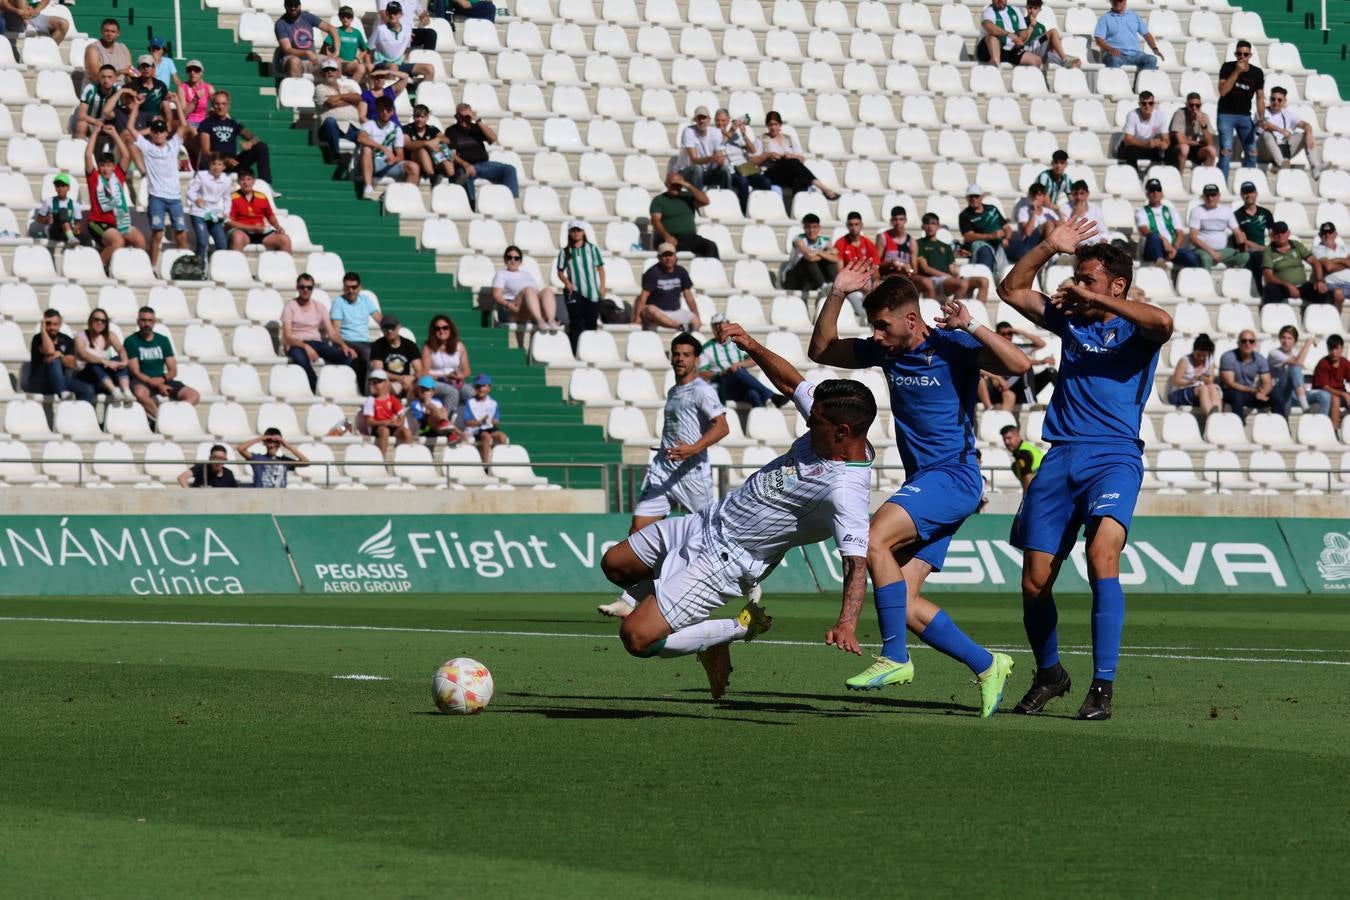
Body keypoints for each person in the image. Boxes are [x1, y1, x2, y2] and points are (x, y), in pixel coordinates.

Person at [599, 322, 873, 700]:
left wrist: (847, 623)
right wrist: (750, 344)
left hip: (727, 560)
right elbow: (790, 384)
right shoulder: (829, 414)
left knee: (637, 637)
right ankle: (685, 614)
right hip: (707, 520)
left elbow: (856, 563)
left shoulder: (845, 489)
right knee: (615, 564)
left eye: (816, 424)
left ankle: (736, 628)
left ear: (842, 432)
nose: (809, 423)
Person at [808, 261, 1028, 713]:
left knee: (872, 539)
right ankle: (988, 664)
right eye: (874, 327)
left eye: (882, 326)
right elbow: (822, 350)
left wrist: (972, 325)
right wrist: (837, 292)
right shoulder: (885, 350)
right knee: (904, 602)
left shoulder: (952, 345)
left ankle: (894, 656)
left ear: (911, 320)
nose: (876, 335)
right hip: (926, 484)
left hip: (954, 477)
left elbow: (1019, 365)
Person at [998, 216, 1173, 720]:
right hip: (1061, 456)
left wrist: (1095, 299)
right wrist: (1049, 246)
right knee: (1034, 581)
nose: (1077, 286)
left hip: (1115, 456)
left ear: (1117, 285)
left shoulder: (1136, 328)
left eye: (1088, 279)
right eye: (1076, 278)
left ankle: (1102, 686)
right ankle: (1050, 674)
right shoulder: (1070, 319)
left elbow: (1164, 323)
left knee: (1101, 556)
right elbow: (1011, 290)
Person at [597, 332, 730, 619]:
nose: (680, 359)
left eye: (686, 355)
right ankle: (632, 598)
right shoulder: (673, 391)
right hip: (662, 473)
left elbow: (722, 427)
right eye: (676, 354)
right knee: (638, 532)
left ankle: (746, 580)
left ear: (696, 359)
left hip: (691, 476)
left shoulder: (702, 390)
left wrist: (692, 448)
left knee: (710, 536)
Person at [124, 103, 192, 269]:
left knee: (181, 234)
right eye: (155, 131)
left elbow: (184, 125)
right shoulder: (148, 147)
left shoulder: (174, 145)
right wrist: (136, 106)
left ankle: (186, 266)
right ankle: (152, 267)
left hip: (174, 198)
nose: (158, 134)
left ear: (166, 132)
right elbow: (130, 128)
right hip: (157, 197)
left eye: (161, 131)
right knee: (157, 234)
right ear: (151, 134)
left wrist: (178, 103)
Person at [83, 129, 148, 269]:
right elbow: (88, 156)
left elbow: (125, 155)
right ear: (99, 166)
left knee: (140, 241)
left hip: (119, 221)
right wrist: (95, 133)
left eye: (109, 165)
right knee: (118, 241)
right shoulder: (94, 178)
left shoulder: (117, 176)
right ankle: (98, 268)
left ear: (113, 167)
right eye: (102, 165)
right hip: (98, 222)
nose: (105, 169)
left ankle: (133, 269)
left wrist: (114, 134)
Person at [125, 306, 201, 425]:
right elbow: (135, 371)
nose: (146, 324)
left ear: (154, 322)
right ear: (138, 321)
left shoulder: (163, 340)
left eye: (150, 320)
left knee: (194, 395)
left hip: (162, 378)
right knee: (140, 393)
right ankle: (163, 421)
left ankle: (174, 417)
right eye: (143, 320)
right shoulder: (130, 341)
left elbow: (173, 370)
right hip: (142, 380)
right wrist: (157, 384)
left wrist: (162, 381)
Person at [284, 273, 355, 391]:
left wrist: (344, 345)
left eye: (309, 287)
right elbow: (287, 336)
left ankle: (333, 384)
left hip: (316, 342)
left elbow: (332, 333)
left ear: (313, 289)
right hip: (296, 343)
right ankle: (317, 386)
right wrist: (305, 346)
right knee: (299, 358)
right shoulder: (290, 306)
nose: (305, 290)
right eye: (302, 287)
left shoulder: (319, 306)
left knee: (347, 356)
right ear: (297, 288)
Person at [698, 313, 783, 409]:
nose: (719, 327)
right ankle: (770, 395)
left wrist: (739, 364)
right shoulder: (706, 348)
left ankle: (761, 417)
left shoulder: (736, 343)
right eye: (716, 325)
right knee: (738, 370)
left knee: (753, 394)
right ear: (712, 328)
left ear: (728, 324)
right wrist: (722, 373)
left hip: (740, 384)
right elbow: (701, 372)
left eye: (721, 324)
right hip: (723, 385)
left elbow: (754, 359)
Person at [753, 111, 839, 201]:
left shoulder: (788, 139)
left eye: (776, 124)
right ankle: (822, 187)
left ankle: (797, 205)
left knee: (798, 178)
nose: (773, 128)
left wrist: (791, 156)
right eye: (771, 125)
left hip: (788, 173)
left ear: (780, 125)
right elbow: (753, 161)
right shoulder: (761, 139)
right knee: (792, 163)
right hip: (771, 172)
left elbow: (801, 160)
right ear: (767, 125)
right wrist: (767, 155)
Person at [444, 104, 518, 209]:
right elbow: (452, 154)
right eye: (461, 116)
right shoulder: (451, 131)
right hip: (465, 166)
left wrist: (477, 120)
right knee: (464, 176)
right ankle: (471, 207)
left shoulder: (477, 128)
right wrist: (465, 164)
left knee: (509, 170)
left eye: (467, 116)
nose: (463, 119)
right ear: (456, 116)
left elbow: (493, 138)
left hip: (483, 164)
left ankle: (510, 203)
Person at [198, 91, 273, 184]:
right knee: (214, 163)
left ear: (228, 106)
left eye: (223, 104)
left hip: (233, 163)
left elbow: (256, 138)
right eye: (217, 104)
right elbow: (205, 152)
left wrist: (250, 143)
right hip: (216, 163)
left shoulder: (233, 123)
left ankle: (266, 185)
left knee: (261, 147)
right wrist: (224, 160)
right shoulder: (206, 123)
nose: (220, 107)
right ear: (213, 105)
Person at [1261, 221, 1340, 309]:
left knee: (1322, 291)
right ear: (1272, 235)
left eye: (1283, 232)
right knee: (1270, 289)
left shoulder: (1296, 245)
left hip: (1302, 286)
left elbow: (1315, 262)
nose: (1280, 235)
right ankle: (1274, 315)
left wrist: (1319, 280)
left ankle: (1321, 316)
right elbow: (1268, 276)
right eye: (1277, 233)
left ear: (1288, 233)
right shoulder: (1268, 251)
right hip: (1281, 287)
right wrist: (1288, 286)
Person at [354, 95, 420, 199]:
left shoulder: (396, 129)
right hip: (370, 162)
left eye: (388, 110)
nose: (385, 112)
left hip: (387, 163)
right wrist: (382, 148)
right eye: (382, 110)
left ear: (392, 112)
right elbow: (361, 138)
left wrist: (394, 159)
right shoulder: (369, 124)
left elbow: (400, 155)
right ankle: (368, 187)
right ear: (377, 110)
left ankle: (405, 198)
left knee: (414, 167)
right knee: (367, 149)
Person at [915, 212, 990, 301]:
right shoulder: (919, 243)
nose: (930, 227)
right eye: (927, 224)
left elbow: (952, 268)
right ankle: (952, 309)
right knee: (962, 284)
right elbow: (925, 268)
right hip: (933, 279)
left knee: (983, 281)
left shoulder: (946, 246)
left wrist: (956, 275)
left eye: (933, 223)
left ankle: (979, 309)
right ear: (923, 226)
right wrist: (947, 276)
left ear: (938, 226)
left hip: (947, 279)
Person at [1216, 41, 1264, 180]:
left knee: (1252, 152)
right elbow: (1223, 91)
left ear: (1250, 55)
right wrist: (1236, 72)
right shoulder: (1227, 67)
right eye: (1239, 54)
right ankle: (1222, 185)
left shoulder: (1257, 72)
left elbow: (1260, 97)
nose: (1242, 57)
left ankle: (1248, 184)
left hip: (1245, 116)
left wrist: (1261, 117)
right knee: (1226, 152)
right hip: (1226, 114)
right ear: (1235, 54)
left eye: (1245, 54)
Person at [555, 220, 605, 351]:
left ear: (583, 232)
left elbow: (600, 269)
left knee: (591, 325)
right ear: (569, 233)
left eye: (578, 230)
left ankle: (590, 351)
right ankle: (575, 351)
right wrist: (567, 283)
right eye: (573, 230)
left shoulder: (592, 249)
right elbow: (560, 271)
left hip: (592, 292)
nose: (576, 233)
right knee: (576, 323)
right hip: (574, 291)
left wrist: (602, 287)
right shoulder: (565, 252)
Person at [649, 171, 719, 259]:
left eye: (679, 184)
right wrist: (667, 236)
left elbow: (705, 201)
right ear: (667, 184)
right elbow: (655, 221)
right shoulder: (659, 200)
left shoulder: (687, 197)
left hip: (690, 237)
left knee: (711, 246)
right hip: (669, 237)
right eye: (673, 184)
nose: (676, 187)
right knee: (668, 251)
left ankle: (711, 268)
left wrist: (688, 185)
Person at [1259, 86, 1325, 179]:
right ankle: (1281, 163)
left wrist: (1309, 132)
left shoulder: (1287, 114)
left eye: (1279, 100)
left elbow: (1305, 124)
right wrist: (1281, 131)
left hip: (1282, 149)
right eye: (1273, 99)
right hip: (1264, 151)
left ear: (1284, 101)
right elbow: (1265, 125)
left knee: (1305, 135)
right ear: (1270, 99)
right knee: (1267, 134)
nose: (1276, 102)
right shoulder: (1262, 112)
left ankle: (1315, 167)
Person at [28, 310, 95, 402]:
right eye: (48, 324)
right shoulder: (38, 338)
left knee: (88, 390)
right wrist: (43, 330)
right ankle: (63, 394)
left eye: (55, 324)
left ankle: (78, 409)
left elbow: (72, 364)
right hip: (40, 381)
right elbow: (49, 350)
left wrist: (60, 356)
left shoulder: (66, 339)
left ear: (60, 324)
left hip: (60, 380)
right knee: (54, 361)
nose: (52, 327)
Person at [329, 271, 383, 386]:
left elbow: (380, 319)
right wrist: (343, 345)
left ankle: (382, 387)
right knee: (368, 352)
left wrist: (391, 329)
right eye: (347, 287)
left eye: (354, 287)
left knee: (383, 350)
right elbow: (335, 331)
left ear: (359, 287)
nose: (351, 291)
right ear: (343, 288)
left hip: (364, 341)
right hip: (348, 340)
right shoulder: (339, 302)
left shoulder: (365, 300)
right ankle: (367, 390)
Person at [635, 243, 701, 332]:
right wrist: (637, 319)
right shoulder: (652, 273)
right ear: (659, 257)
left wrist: (697, 316)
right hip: (657, 312)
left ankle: (686, 337)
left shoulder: (681, 271)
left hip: (675, 311)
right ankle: (680, 327)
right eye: (664, 255)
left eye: (670, 255)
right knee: (650, 309)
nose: (668, 258)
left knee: (695, 321)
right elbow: (643, 297)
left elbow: (689, 296)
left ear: (675, 256)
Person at [492, 246, 560, 331]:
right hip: (512, 309)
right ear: (505, 260)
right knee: (528, 290)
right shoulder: (501, 274)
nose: (513, 260)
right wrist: (508, 305)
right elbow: (496, 295)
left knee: (547, 290)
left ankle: (551, 320)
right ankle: (540, 320)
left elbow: (536, 293)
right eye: (509, 257)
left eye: (516, 258)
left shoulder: (527, 275)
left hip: (529, 309)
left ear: (520, 261)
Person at [716, 108, 771, 214]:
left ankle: (765, 210)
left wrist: (743, 134)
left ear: (728, 120)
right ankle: (744, 212)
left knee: (765, 181)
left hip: (745, 167)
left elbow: (752, 150)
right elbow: (719, 145)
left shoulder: (736, 134)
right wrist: (730, 132)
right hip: (730, 170)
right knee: (743, 181)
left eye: (723, 120)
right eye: (718, 120)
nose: (720, 123)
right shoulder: (714, 134)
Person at [1136, 178, 1199, 269]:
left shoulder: (1171, 210)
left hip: (1171, 248)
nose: (1155, 193)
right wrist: (1163, 240)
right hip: (1152, 248)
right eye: (1152, 190)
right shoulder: (1141, 211)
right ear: (1147, 194)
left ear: (1162, 193)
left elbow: (1180, 233)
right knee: (1153, 236)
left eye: (1158, 190)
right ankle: (1160, 261)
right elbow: (1144, 230)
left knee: (1191, 257)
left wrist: (1174, 249)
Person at [1187, 184, 1252, 271]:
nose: (1210, 198)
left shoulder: (1226, 211)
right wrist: (1211, 252)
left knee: (1244, 256)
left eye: (1213, 195)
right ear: (1203, 197)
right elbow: (1193, 237)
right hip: (1203, 250)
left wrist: (1242, 248)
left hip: (1223, 251)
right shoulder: (1197, 211)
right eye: (1207, 195)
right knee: (1206, 259)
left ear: (1219, 196)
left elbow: (1237, 232)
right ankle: (1206, 279)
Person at [74, 308, 133, 402]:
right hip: (84, 375)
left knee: (118, 359)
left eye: (103, 321)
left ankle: (126, 390)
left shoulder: (109, 335)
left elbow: (121, 349)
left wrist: (124, 362)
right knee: (93, 363)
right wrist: (105, 361)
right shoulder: (80, 336)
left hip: (101, 376)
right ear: (90, 321)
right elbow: (83, 354)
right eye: (96, 320)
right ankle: (114, 390)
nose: (99, 323)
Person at [369, 1, 437, 81]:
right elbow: (383, 14)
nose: (393, 15)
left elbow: (422, 14)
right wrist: (401, 30)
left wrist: (424, 17)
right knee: (393, 66)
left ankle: (424, 65)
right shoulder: (380, 30)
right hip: (389, 30)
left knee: (431, 34)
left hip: (408, 32)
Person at [420, 314, 472, 417]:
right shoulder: (428, 347)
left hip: (454, 381)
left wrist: (460, 375)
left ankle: (470, 422)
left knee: (471, 393)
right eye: (437, 328)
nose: (441, 331)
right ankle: (444, 420)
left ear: (450, 329)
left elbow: (467, 371)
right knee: (452, 392)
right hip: (434, 382)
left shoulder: (459, 346)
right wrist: (444, 377)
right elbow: (424, 373)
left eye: (445, 328)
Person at [227, 170, 292, 252]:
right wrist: (251, 228)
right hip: (242, 232)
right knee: (237, 237)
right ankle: (236, 260)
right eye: (242, 180)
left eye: (248, 179)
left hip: (261, 232)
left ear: (253, 181)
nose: (246, 183)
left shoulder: (262, 196)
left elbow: (270, 215)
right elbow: (229, 222)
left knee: (285, 239)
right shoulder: (232, 198)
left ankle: (286, 261)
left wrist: (278, 227)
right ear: (238, 182)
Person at [273, 0, 339, 80]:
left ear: (300, 5)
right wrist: (307, 53)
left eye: (295, 5)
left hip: (312, 59)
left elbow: (331, 29)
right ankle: (297, 86)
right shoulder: (281, 24)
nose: (293, 8)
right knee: (294, 62)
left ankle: (331, 87)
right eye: (290, 6)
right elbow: (287, 49)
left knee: (336, 62)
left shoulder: (307, 17)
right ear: (285, 6)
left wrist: (336, 52)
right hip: (292, 58)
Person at [315, 60, 363, 163]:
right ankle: (335, 155)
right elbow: (331, 103)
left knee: (367, 134)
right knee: (330, 121)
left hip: (351, 126)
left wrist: (339, 96)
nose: (329, 72)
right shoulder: (320, 88)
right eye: (326, 70)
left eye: (332, 70)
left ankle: (363, 163)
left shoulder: (347, 87)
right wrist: (350, 101)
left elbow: (359, 98)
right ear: (322, 73)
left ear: (338, 73)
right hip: (329, 129)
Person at [187, 153, 232, 263]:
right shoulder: (202, 175)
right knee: (203, 242)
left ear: (224, 167)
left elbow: (227, 198)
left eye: (219, 164)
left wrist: (226, 212)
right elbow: (190, 191)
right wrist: (196, 199)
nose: (216, 167)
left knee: (222, 243)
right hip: (199, 212)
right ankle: (199, 268)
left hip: (214, 214)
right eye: (213, 164)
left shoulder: (227, 180)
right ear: (210, 165)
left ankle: (217, 266)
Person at [1219, 329, 1273, 420]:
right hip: (1231, 391)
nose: (1247, 344)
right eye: (1244, 341)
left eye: (1251, 341)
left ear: (1255, 344)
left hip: (1250, 393)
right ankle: (1239, 424)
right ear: (1238, 343)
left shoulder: (1260, 359)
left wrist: (1263, 393)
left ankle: (1281, 424)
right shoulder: (1228, 357)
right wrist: (1252, 391)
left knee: (1276, 395)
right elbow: (1230, 383)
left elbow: (1267, 382)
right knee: (1237, 396)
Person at [1168, 333, 1221, 424]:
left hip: (1198, 393)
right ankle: (1213, 420)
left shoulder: (1210, 360)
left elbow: (1210, 380)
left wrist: (1203, 378)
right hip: (1178, 393)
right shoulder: (1185, 361)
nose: (1201, 358)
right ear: (1194, 351)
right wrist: (1190, 381)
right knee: (1203, 389)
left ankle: (1216, 416)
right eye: (1198, 355)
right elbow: (1175, 381)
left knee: (1212, 387)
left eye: (1204, 356)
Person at [834, 211, 880, 316]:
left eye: (856, 224)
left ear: (861, 225)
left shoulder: (868, 244)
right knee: (855, 299)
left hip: (865, 280)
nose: (853, 227)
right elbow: (840, 273)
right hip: (849, 281)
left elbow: (875, 269)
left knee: (880, 289)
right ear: (847, 226)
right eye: (851, 225)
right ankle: (866, 317)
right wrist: (859, 286)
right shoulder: (840, 243)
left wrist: (875, 281)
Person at [1094, 0, 1161, 70]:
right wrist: (1110, 49)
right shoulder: (1104, 18)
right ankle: (1116, 78)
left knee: (1152, 60)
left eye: (1120, 1)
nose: (1117, 2)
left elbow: (1146, 34)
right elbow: (1098, 40)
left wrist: (1155, 49)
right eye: (1114, 0)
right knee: (1114, 60)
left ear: (1125, 1)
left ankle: (1140, 77)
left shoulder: (1134, 15)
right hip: (1115, 54)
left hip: (1135, 54)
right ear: (1110, 1)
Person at [782, 213, 839, 295]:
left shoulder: (825, 240)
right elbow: (809, 257)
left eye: (814, 227)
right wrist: (825, 253)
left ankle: (835, 286)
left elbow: (835, 258)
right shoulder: (799, 239)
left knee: (829, 261)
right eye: (808, 227)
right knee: (807, 260)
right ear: (804, 228)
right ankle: (823, 286)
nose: (811, 231)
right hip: (794, 278)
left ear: (819, 228)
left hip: (812, 277)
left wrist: (818, 252)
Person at [1268, 325, 1318, 417]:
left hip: (1294, 392)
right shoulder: (1274, 353)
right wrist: (1308, 343)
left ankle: (1320, 421)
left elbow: (1299, 366)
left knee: (1324, 396)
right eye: (1283, 338)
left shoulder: (1295, 353)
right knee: (1294, 367)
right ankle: (1304, 406)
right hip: (1278, 390)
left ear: (1294, 342)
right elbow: (1297, 363)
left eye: (1289, 338)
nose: (1285, 341)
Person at [958, 183, 1011, 271]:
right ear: (967, 198)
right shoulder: (965, 215)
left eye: (976, 196)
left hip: (1000, 242)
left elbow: (1007, 228)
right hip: (980, 244)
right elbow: (968, 236)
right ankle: (986, 277)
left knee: (1020, 246)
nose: (974, 199)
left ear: (982, 196)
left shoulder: (992, 208)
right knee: (985, 251)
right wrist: (991, 236)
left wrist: (1007, 239)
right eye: (971, 196)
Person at [359, 370, 414, 453]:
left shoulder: (393, 399)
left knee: (407, 432)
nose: (376, 385)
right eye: (373, 382)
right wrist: (385, 422)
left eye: (379, 382)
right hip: (378, 427)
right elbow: (369, 422)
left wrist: (398, 423)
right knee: (385, 431)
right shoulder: (370, 400)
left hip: (391, 426)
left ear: (386, 383)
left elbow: (401, 416)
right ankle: (382, 458)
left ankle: (407, 456)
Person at [1233, 181, 1276, 288]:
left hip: (1264, 249)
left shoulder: (1265, 213)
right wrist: (1261, 248)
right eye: (1245, 193)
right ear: (1241, 195)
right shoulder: (1237, 215)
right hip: (1248, 250)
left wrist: (1271, 248)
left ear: (1256, 194)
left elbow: (1273, 234)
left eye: (1251, 192)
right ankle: (1259, 289)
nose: (1248, 195)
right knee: (1257, 256)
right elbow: (1241, 240)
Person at [676, 106, 730, 191]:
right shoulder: (688, 131)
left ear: (709, 120)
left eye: (704, 118)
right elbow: (694, 160)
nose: (701, 121)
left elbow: (718, 156)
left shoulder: (715, 132)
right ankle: (698, 198)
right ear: (695, 120)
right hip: (686, 171)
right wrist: (712, 158)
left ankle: (727, 196)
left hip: (706, 172)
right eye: (699, 118)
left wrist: (720, 160)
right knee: (697, 168)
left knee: (725, 169)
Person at [403, 103, 455, 185]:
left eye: (422, 117)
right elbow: (408, 144)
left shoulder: (432, 129)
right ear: (413, 117)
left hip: (432, 160)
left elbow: (447, 140)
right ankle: (432, 176)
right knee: (421, 150)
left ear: (427, 117)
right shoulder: (407, 128)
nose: (419, 119)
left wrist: (437, 139)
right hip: (413, 161)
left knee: (443, 147)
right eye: (417, 117)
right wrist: (426, 143)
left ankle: (452, 177)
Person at [1166, 92, 1218, 176]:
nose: (1194, 108)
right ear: (1186, 105)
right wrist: (1199, 143)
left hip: (1192, 148)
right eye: (1191, 105)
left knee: (1211, 150)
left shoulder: (1203, 116)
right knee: (1184, 148)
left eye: (1197, 105)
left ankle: (1206, 179)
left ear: (1200, 105)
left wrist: (1203, 125)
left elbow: (1209, 142)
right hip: (1175, 148)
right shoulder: (1180, 114)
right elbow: (1180, 140)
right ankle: (1178, 178)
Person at [237, 428, 309, 488]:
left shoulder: (284, 460)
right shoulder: (257, 458)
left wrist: (287, 445)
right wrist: (261, 438)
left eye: (276, 442)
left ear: (280, 444)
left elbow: (306, 463)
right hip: (261, 497)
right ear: (265, 443)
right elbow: (240, 449)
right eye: (269, 442)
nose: (272, 445)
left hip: (279, 497)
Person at [462, 374, 508, 466]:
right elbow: (467, 422)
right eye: (478, 386)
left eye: (483, 386)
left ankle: (502, 462)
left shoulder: (493, 403)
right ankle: (485, 464)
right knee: (486, 436)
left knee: (502, 436)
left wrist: (494, 421)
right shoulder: (470, 402)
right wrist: (480, 422)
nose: (481, 389)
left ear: (489, 388)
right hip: (476, 429)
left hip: (489, 428)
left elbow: (496, 420)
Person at [370, 316, 423, 395]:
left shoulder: (409, 345)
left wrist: (412, 378)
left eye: (392, 327)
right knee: (382, 384)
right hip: (388, 382)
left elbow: (419, 370)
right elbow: (379, 372)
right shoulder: (377, 346)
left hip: (407, 382)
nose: (389, 331)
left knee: (419, 385)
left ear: (399, 327)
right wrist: (400, 378)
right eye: (385, 328)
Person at [1117, 91, 1169, 171]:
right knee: (1131, 151)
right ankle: (1133, 175)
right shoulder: (1132, 115)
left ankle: (1159, 175)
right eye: (1144, 103)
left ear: (1154, 104)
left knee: (1170, 151)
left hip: (1148, 147)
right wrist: (1147, 144)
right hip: (1130, 147)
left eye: (1150, 103)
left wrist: (1164, 144)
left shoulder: (1160, 115)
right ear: (1139, 104)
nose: (1147, 106)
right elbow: (1127, 140)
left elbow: (1166, 138)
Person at [1009, 183, 1060, 263]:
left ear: (1044, 196)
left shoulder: (1049, 212)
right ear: (1030, 196)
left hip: (1044, 242)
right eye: (1034, 194)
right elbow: (1027, 233)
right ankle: (1052, 256)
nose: (1036, 197)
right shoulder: (1023, 210)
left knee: (1054, 225)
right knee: (1049, 224)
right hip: (1029, 243)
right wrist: (1033, 213)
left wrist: (1057, 210)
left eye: (1039, 195)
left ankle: (1054, 255)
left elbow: (1062, 227)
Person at [27, 172, 81, 247]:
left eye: (63, 186)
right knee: (62, 212)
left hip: (68, 231)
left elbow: (78, 223)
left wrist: (76, 228)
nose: (60, 189)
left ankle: (71, 237)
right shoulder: (49, 201)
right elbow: (39, 219)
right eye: (58, 186)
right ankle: (71, 237)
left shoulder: (75, 204)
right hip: (53, 230)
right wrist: (47, 219)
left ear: (68, 188)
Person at [1309, 335, 1350, 430]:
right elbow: (1325, 388)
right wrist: (1344, 394)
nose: (1334, 352)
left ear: (1342, 349)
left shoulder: (1345, 362)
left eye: (1336, 349)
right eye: (1331, 349)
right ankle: (1334, 430)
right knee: (1335, 399)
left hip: (1340, 394)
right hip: (1324, 395)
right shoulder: (1323, 363)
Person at [323, 5, 372, 83]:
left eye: (348, 17)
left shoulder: (357, 33)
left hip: (351, 64)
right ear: (339, 18)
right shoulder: (335, 31)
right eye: (343, 17)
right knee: (359, 67)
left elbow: (365, 49)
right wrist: (334, 57)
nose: (345, 19)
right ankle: (344, 87)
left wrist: (357, 59)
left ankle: (351, 87)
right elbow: (324, 48)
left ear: (352, 18)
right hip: (339, 63)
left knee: (363, 67)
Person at [75, 64, 120, 141]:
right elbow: (81, 115)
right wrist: (96, 121)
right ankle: (79, 148)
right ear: (99, 77)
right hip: (92, 123)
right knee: (81, 125)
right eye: (103, 77)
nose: (106, 80)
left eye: (109, 77)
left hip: (113, 125)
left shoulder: (119, 91)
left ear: (115, 78)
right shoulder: (90, 89)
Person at [407, 375, 459, 442]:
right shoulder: (415, 404)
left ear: (432, 392)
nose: (424, 392)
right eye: (422, 390)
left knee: (443, 410)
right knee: (433, 408)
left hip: (438, 427)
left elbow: (442, 414)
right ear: (418, 391)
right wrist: (428, 406)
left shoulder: (437, 401)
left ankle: (449, 430)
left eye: (427, 390)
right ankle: (447, 430)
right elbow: (422, 421)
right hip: (424, 429)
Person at [127, 54, 171, 130]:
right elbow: (130, 107)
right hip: (139, 121)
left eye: (148, 66)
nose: (146, 69)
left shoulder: (161, 85)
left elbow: (166, 106)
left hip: (157, 121)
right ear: (138, 69)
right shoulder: (133, 85)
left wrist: (168, 122)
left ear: (153, 68)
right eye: (143, 67)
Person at [84, 18, 133, 85]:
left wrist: (139, 75)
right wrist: (121, 71)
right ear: (102, 32)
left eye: (113, 32)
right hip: (99, 87)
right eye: (106, 31)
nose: (109, 34)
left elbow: (130, 69)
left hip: (122, 87)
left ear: (118, 34)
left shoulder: (123, 48)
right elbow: (96, 76)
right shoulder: (93, 49)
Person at [876, 206, 917, 280]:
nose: (898, 223)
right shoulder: (883, 237)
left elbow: (914, 270)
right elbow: (876, 264)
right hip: (886, 278)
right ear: (891, 221)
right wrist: (890, 264)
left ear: (905, 220)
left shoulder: (911, 241)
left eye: (901, 219)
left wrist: (909, 269)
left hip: (904, 278)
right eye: (895, 219)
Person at [1001, 424, 1044, 491]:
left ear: (1018, 436)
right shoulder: (1028, 448)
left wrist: (1027, 497)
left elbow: (1028, 480)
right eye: (1004, 439)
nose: (1006, 442)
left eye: (1009, 438)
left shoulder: (1022, 454)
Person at [2, 0, 68, 43]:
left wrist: (36, 10)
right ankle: (27, 23)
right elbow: (2, 3)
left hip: (33, 16)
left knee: (63, 25)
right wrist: (18, 11)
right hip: (14, 16)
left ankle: (46, 54)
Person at [1312, 222, 1350, 298]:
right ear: (1320, 235)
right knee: (1338, 293)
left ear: (1335, 234)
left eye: (1330, 232)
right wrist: (1346, 263)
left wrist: (1337, 260)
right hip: (1332, 284)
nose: (1327, 235)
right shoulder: (1317, 249)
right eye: (1324, 233)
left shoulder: (1345, 248)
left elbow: (1331, 266)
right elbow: (1329, 267)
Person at [178, 60, 214, 133]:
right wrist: (195, 99)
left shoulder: (208, 87)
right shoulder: (182, 88)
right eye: (189, 70)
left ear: (201, 73)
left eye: (196, 70)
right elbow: (184, 114)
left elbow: (218, 103)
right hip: (188, 122)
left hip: (204, 122)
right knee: (195, 131)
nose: (192, 73)